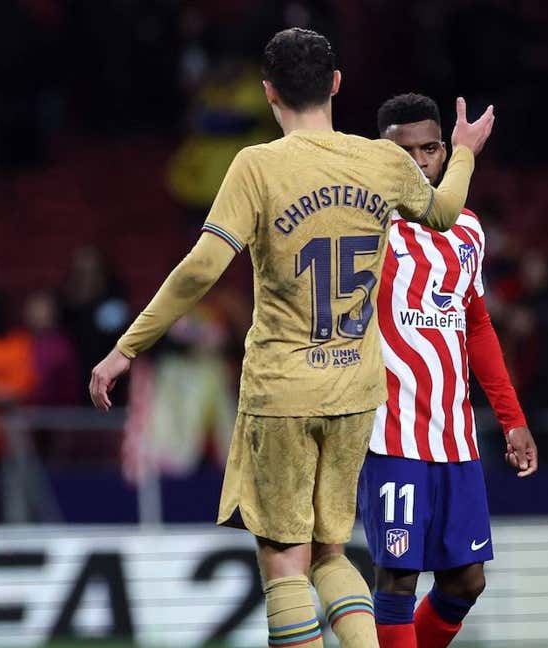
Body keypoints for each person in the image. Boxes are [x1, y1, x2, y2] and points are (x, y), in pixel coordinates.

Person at [89, 28, 495, 648]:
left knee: (285, 563)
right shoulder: (384, 161)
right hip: (357, 392)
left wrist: (127, 348)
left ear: (268, 92)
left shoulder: (257, 166)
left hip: (283, 391)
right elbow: (442, 213)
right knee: (332, 555)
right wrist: (463, 152)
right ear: (336, 84)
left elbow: (202, 268)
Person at [361, 93, 538, 648]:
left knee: (467, 579)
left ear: (444, 151)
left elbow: (478, 328)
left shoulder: (467, 229)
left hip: (456, 438)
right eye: (403, 151)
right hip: (390, 434)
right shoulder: (368, 224)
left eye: (430, 149)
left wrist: (512, 419)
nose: (419, 161)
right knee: (396, 579)